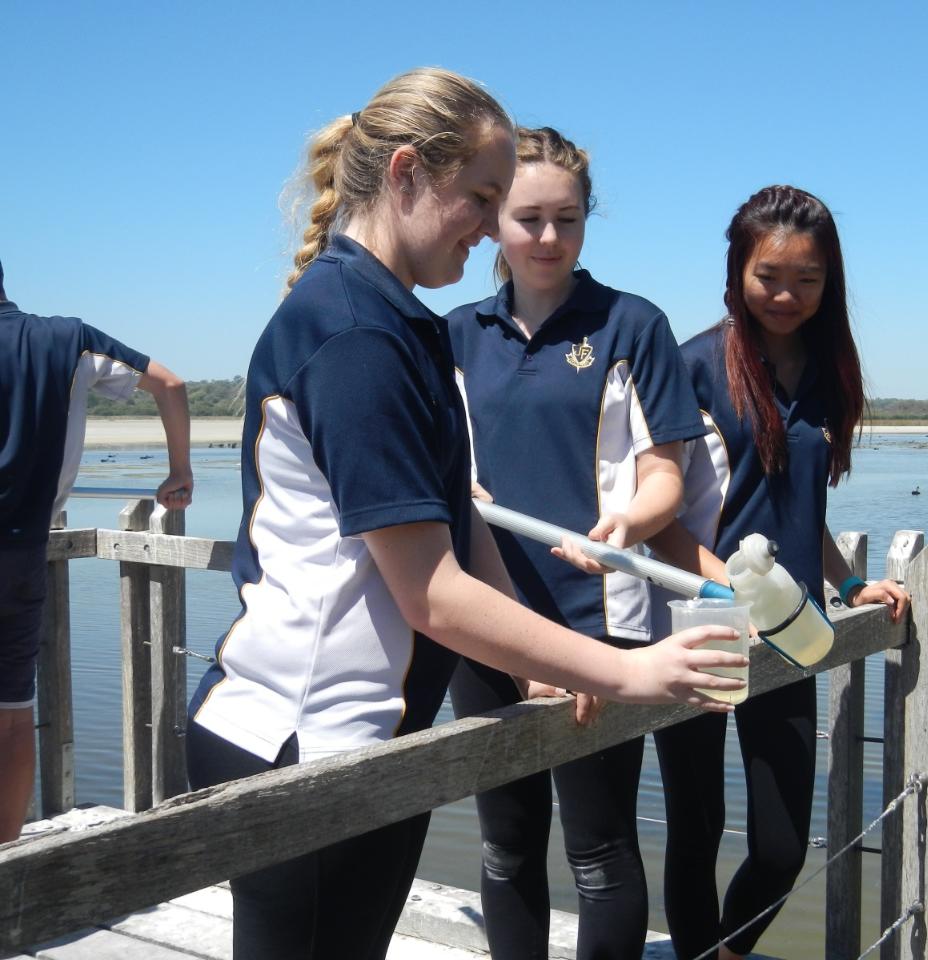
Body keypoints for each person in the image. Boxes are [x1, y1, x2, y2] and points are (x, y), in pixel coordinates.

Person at [184, 72, 744, 960]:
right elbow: (430, 595)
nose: (494, 225)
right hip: (302, 736)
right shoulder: (355, 335)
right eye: (482, 197)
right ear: (405, 173)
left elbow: (462, 521)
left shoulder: (401, 323)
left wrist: (536, 664)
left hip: (371, 734)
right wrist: (626, 672)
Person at [445, 125, 705, 960]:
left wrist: (631, 519)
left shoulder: (632, 324)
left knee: (598, 849)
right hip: (484, 620)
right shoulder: (452, 333)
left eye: (568, 217)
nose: (549, 238)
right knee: (506, 841)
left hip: (602, 620)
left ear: (589, 218)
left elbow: (665, 471)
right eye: (528, 218)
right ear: (491, 222)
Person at [646, 185, 911, 960]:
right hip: (699, 622)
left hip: (791, 626)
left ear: (831, 282)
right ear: (736, 273)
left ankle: (726, 954)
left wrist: (848, 583)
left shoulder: (827, 374)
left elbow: (798, 506)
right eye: (770, 276)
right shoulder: (690, 367)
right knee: (694, 832)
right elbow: (659, 517)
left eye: (809, 279)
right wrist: (729, 595)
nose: (788, 295)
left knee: (783, 844)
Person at [0, 257, 192, 843]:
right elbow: (171, 383)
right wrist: (179, 471)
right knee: (12, 719)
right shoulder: (67, 341)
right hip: (22, 552)